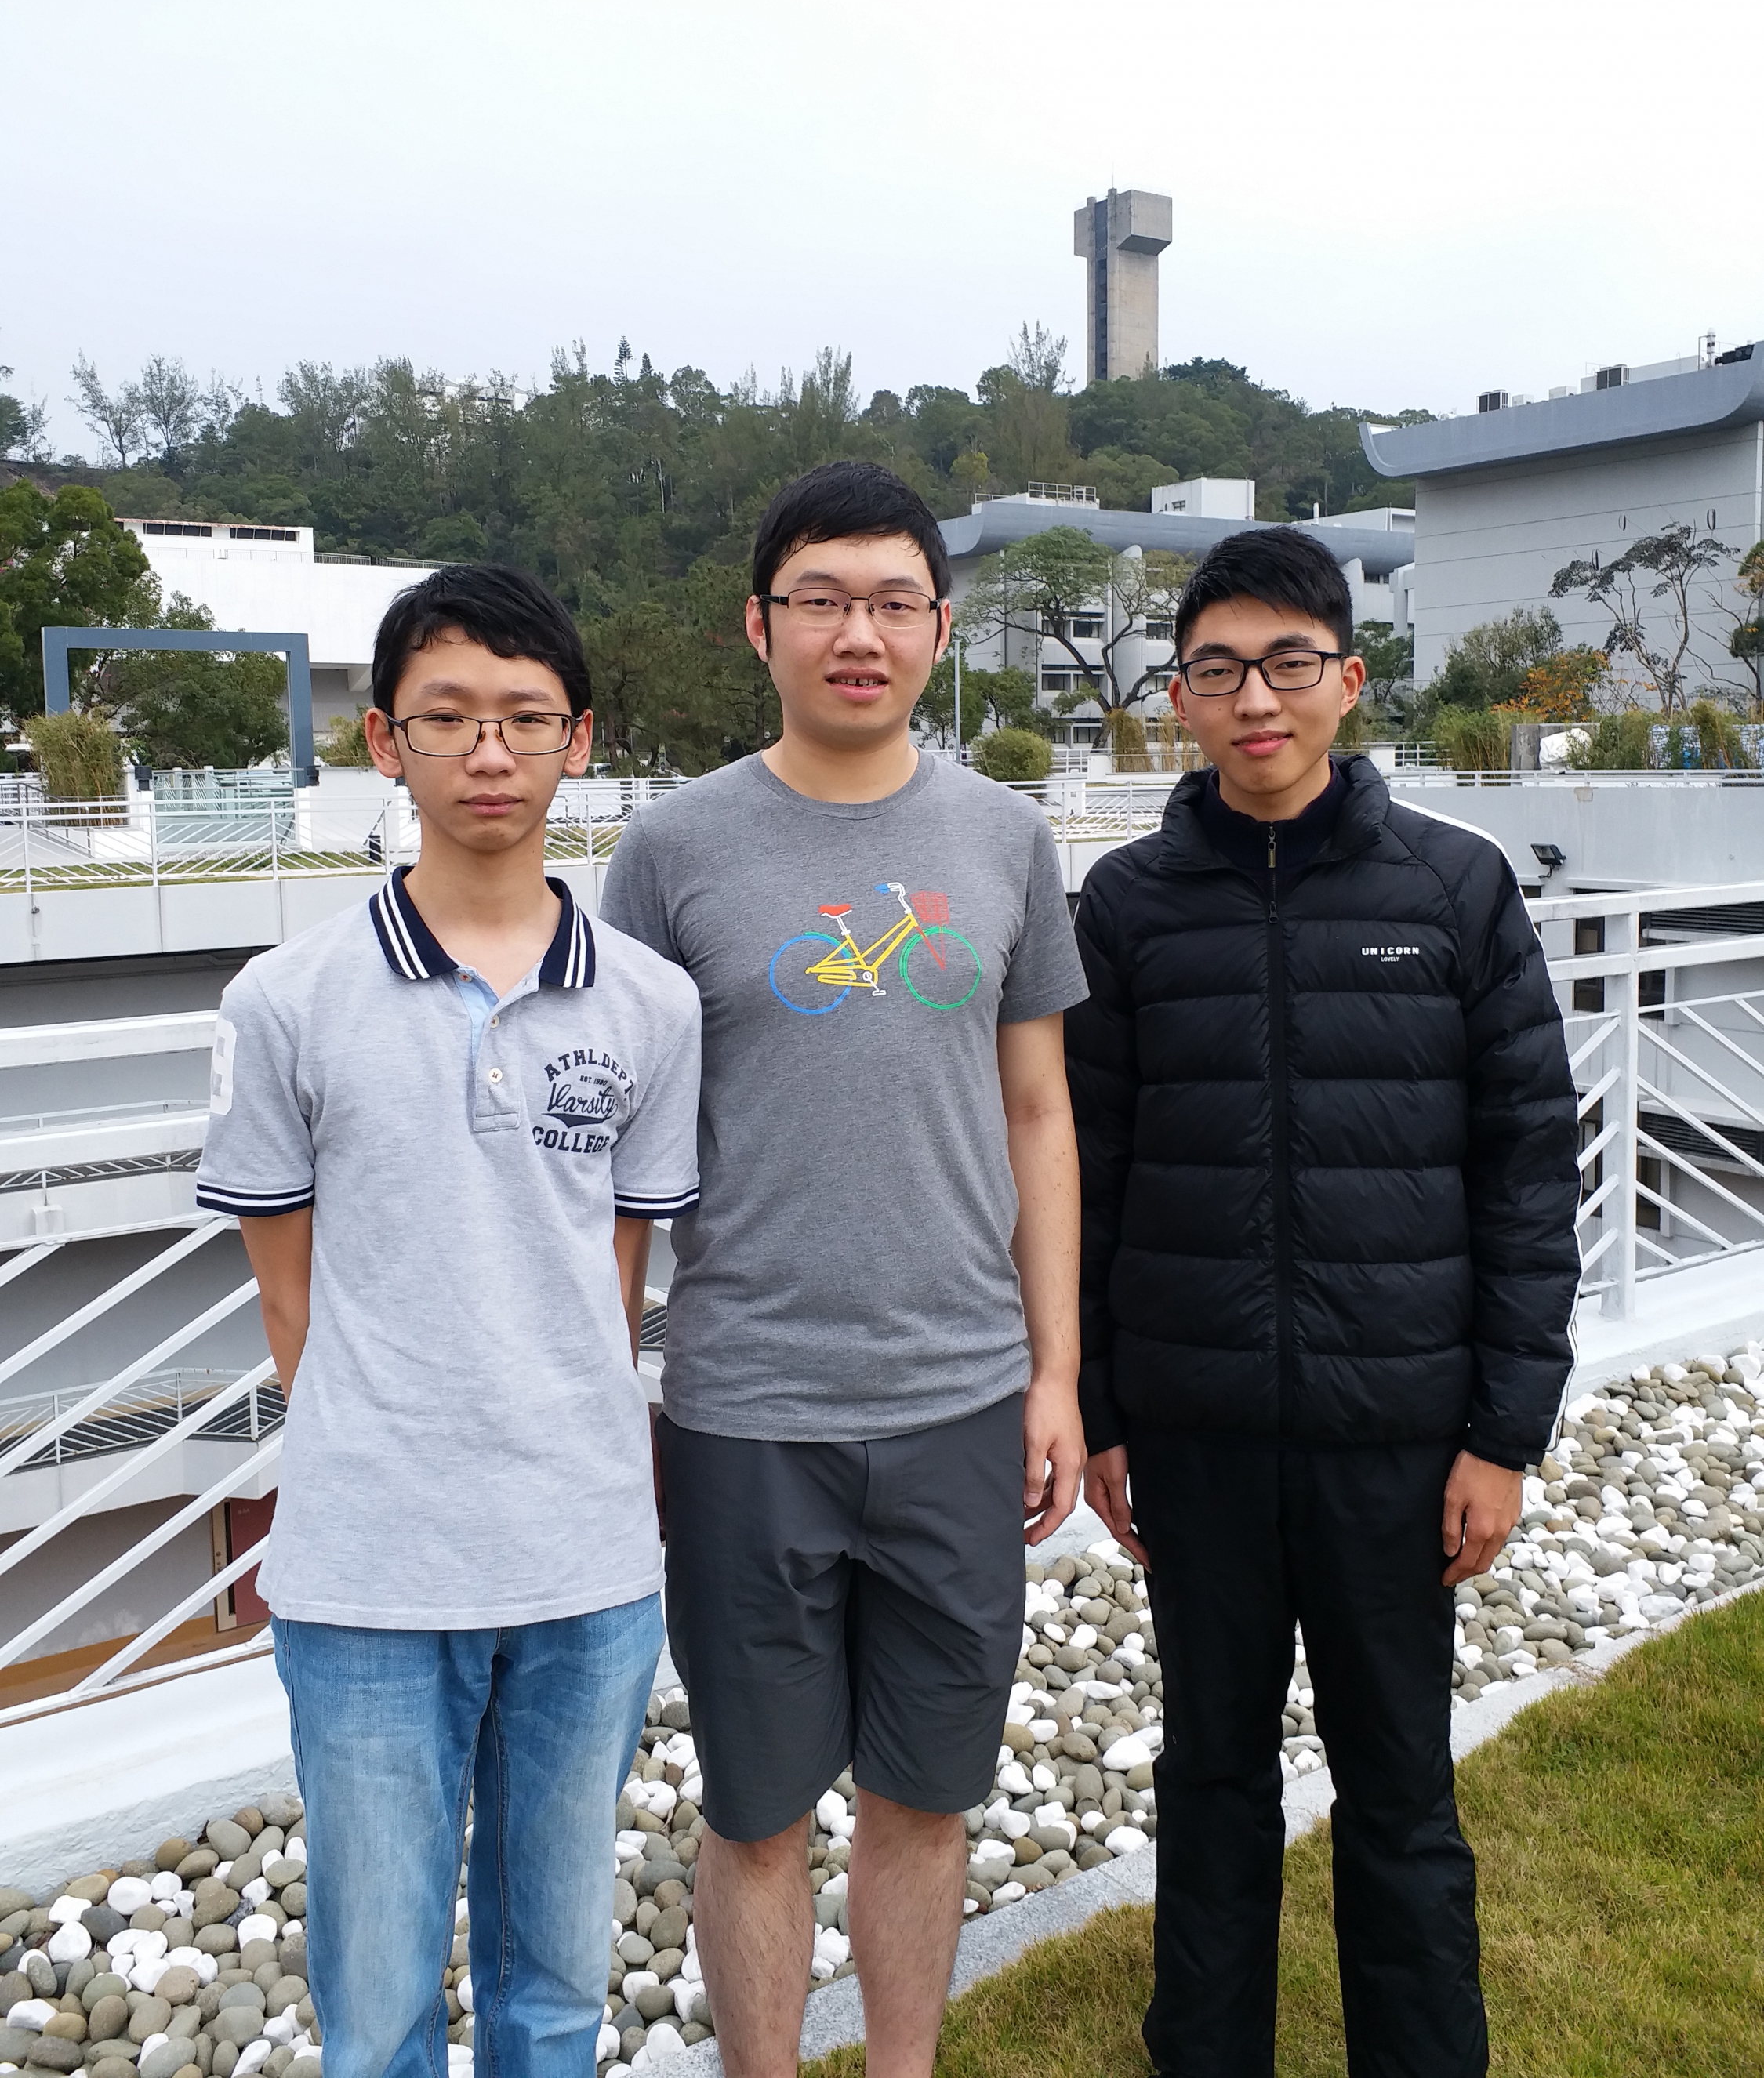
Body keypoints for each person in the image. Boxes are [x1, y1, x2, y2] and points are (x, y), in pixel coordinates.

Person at [1066, 524, 1581, 2078]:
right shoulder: (1130, 909)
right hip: (1198, 1437)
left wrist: (1503, 1431)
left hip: (1394, 1440)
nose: (1256, 700)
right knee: (1211, 1782)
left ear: (1350, 680)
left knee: (1401, 1790)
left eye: (1290, 664)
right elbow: (1083, 1171)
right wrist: (1100, 1412)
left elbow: (1527, 1168)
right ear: (1180, 698)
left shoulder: (1455, 891)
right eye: (1218, 670)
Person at [599, 459, 1089, 2078]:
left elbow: (1035, 1110)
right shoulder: (673, 853)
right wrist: (615, 1387)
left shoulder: (1009, 840)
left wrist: (1058, 1373)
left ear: (940, 628)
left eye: (893, 601)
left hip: (961, 1397)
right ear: (762, 625)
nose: (857, 633)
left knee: (927, 1797)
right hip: (746, 1409)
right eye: (822, 598)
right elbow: (625, 1152)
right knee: (751, 1813)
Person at [195, 564, 702, 2078]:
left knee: (556, 1979)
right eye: (450, 717)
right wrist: (380, 1435)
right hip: (367, 1565)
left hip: (588, 1557)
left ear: (580, 741)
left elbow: (617, 1268)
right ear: (382, 742)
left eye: (524, 717)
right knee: (376, 1994)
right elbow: (283, 1275)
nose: (490, 751)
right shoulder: (285, 999)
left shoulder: (651, 1003)